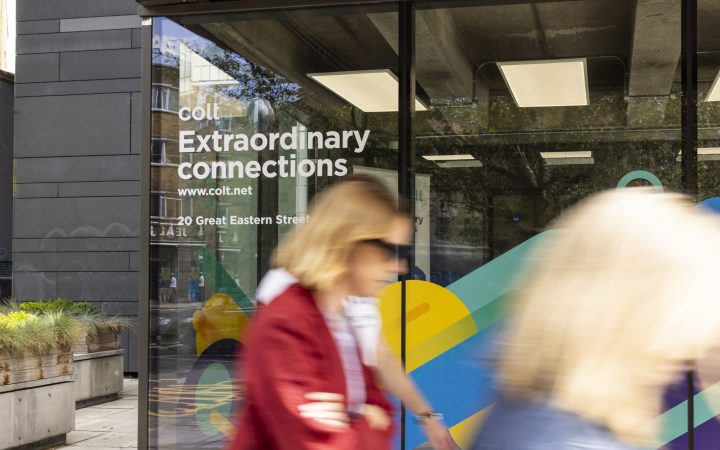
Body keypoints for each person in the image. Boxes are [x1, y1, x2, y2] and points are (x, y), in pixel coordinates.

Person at [471, 189, 720, 450]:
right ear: (632, 313)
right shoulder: (573, 439)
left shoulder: (522, 408)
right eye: (684, 314)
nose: (691, 346)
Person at [228, 175, 410, 450]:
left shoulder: (339, 317)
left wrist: (354, 419)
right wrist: (364, 418)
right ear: (348, 240)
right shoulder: (287, 320)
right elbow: (317, 443)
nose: (399, 267)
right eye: (389, 250)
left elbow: (385, 413)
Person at [256, 268, 457, 450]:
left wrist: (427, 417)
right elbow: (276, 372)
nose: (395, 267)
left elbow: (383, 359)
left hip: (353, 432)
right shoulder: (284, 283)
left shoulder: (363, 292)